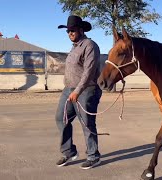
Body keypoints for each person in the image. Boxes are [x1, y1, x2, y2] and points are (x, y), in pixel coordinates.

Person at [55, 15, 102, 169]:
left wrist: (77, 91)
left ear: (81, 30)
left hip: (87, 90)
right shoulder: (74, 47)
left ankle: (93, 156)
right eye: (68, 31)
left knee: (87, 123)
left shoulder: (90, 45)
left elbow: (88, 72)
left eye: (73, 30)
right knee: (61, 119)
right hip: (69, 89)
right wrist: (70, 89)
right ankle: (68, 152)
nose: (70, 33)